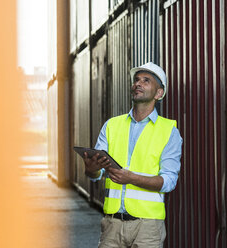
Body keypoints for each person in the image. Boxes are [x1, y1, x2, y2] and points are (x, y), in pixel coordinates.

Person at [83, 62, 183, 248]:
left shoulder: (169, 131)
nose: (138, 83)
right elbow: (97, 174)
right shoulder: (112, 125)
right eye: (136, 80)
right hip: (112, 224)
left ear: (158, 93)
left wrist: (131, 178)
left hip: (148, 227)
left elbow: (169, 181)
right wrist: (92, 170)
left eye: (146, 80)